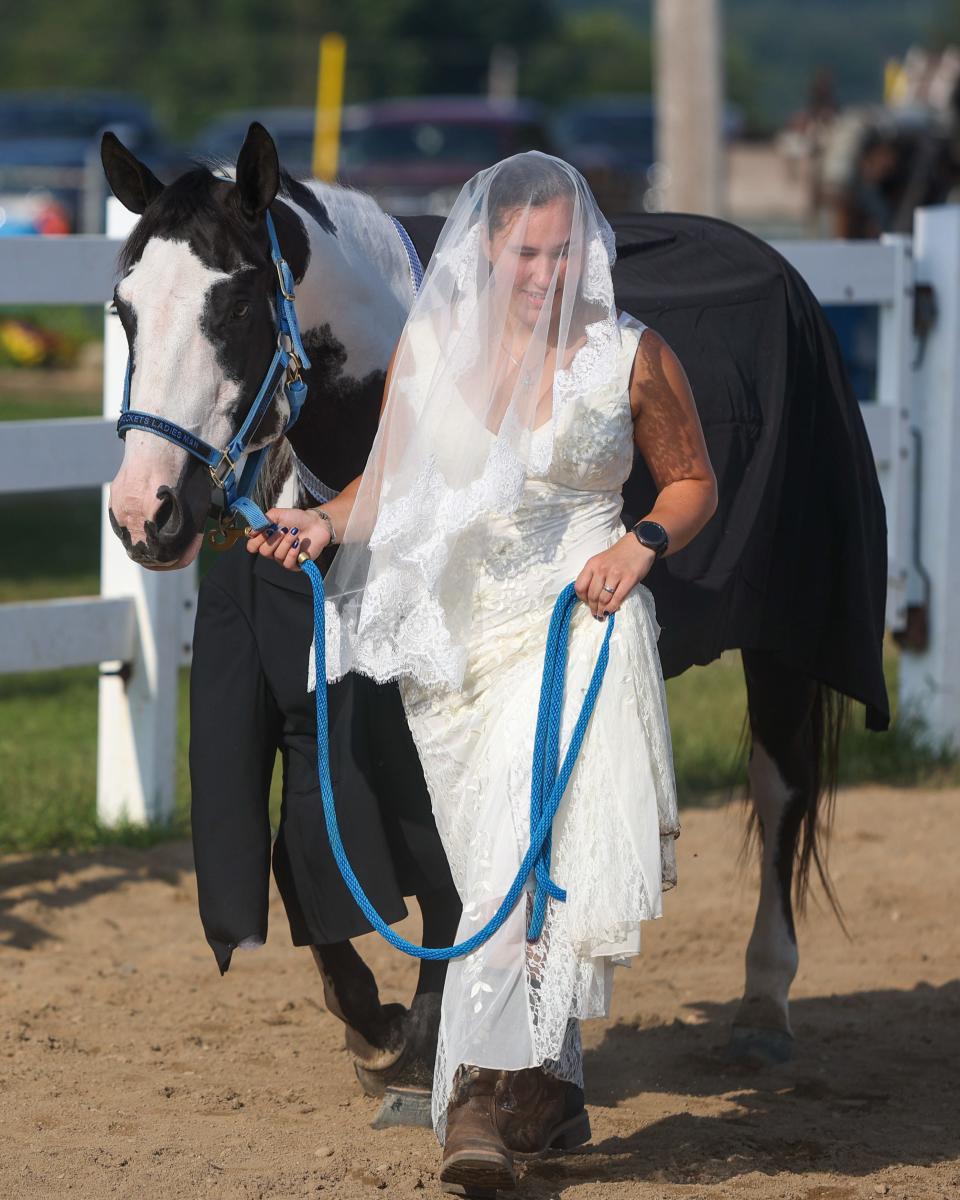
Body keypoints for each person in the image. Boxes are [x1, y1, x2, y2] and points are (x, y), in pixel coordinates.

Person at [247, 153, 717, 1196]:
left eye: (563, 249)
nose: (547, 270)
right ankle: (547, 1087)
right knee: (509, 873)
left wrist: (640, 543)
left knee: (516, 865)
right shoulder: (438, 357)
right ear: (488, 249)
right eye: (526, 251)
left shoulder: (631, 358)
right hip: (459, 655)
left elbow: (691, 480)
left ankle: (472, 1102)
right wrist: (322, 522)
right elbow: (389, 483)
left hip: (576, 627)